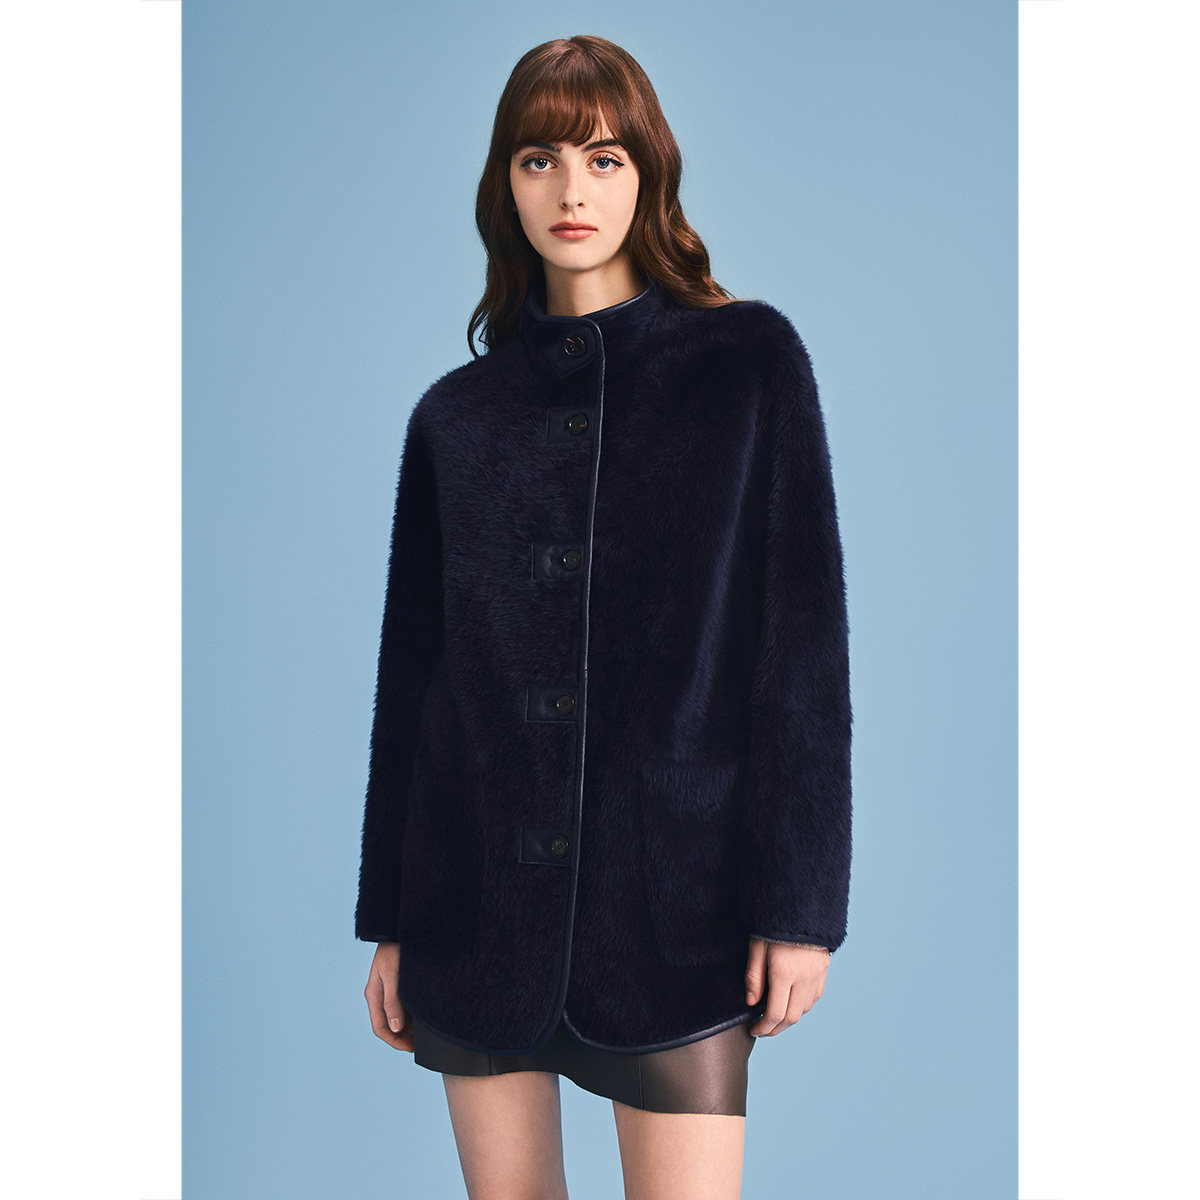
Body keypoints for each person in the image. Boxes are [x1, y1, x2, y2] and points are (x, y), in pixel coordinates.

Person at [356, 34, 852, 1200]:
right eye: (539, 159)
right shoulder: (454, 418)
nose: (570, 190)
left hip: (675, 906)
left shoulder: (747, 366)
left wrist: (800, 911)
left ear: (648, 176)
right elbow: (413, 682)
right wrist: (393, 919)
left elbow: (800, 654)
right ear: (506, 183)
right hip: (475, 906)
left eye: (603, 157)